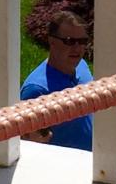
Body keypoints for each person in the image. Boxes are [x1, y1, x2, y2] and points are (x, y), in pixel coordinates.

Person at [19, 11, 92, 149]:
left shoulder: (82, 66)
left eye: (82, 41)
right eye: (69, 41)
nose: (77, 48)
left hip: (93, 158)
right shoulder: (37, 90)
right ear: (52, 41)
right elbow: (29, 145)